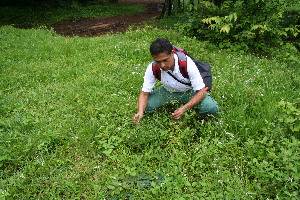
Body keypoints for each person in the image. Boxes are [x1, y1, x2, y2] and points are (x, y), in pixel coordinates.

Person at [132, 38, 219, 126]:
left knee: (211, 108)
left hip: (189, 91)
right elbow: (144, 94)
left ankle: (196, 114)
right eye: (158, 62)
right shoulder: (152, 67)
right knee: (146, 107)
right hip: (168, 91)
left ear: (172, 53)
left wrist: (184, 109)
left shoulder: (186, 63)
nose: (162, 65)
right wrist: (140, 112)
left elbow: (201, 92)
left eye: (165, 60)